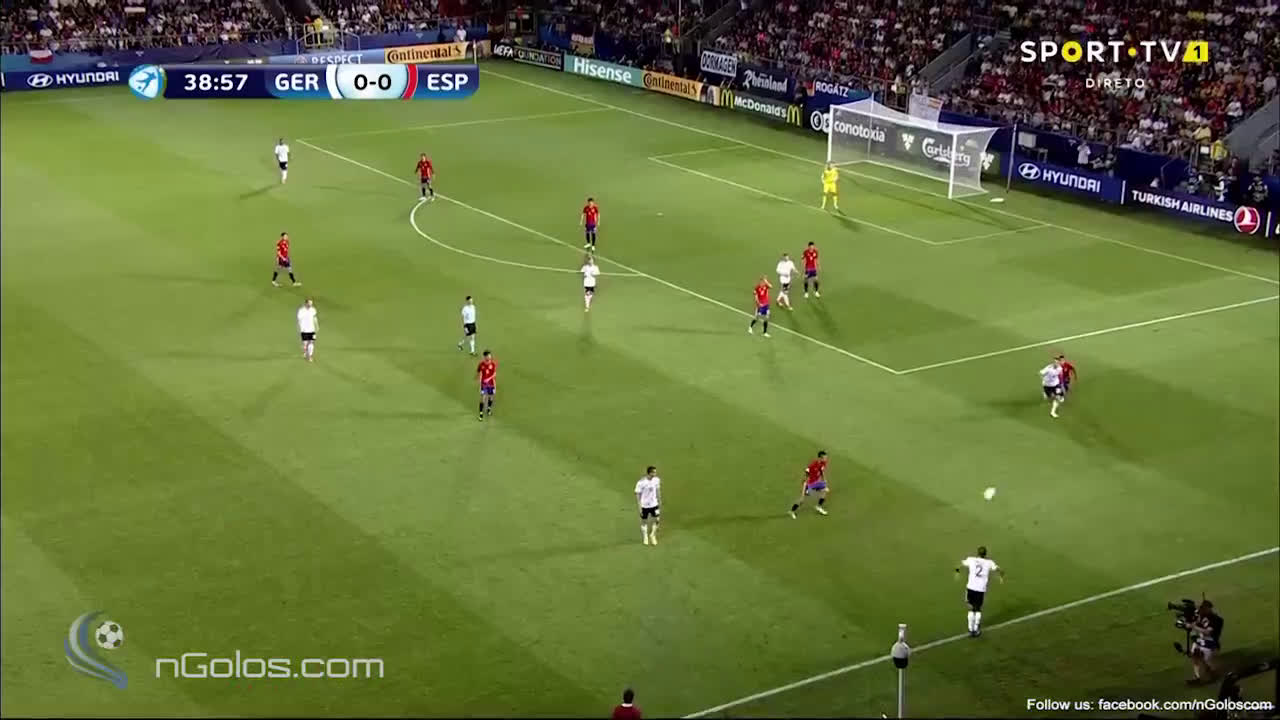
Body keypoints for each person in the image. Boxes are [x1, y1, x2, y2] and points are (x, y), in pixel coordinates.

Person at [956, 546, 1003, 637]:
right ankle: (976, 628)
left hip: (970, 587)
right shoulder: (989, 562)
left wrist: (957, 571)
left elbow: (960, 564)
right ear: (985, 554)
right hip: (981, 589)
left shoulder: (971, 560)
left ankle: (970, 629)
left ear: (977, 553)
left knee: (970, 608)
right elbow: (999, 570)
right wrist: (1001, 577)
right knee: (978, 609)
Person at [1187, 601, 1224, 684]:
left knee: (1202, 658)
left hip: (1210, 642)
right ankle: (1197, 677)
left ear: (1209, 608)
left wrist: (1193, 626)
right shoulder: (1202, 616)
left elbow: (1208, 632)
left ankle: (1212, 672)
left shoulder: (1215, 619)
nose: (1202, 610)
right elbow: (1195, 623)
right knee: (1195, 655)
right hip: (1201, 640)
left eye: (1203, 608)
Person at [789, 451, 829, 518]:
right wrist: (805, 484)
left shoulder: (823, 463)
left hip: (816, 482)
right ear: (820, 458)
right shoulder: (813, 465)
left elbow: (822, 471)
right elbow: (806, 474)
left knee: (825, 490)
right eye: (825, 458)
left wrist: (824, 480)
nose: (826, 459)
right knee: (802, 499)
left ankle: (818, 506)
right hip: (809, 483)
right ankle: (791, 511)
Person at [635, 467, 661, 546]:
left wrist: (659, 500)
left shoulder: (656, 480)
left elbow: (658, 490)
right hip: (644, 506)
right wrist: (639, 507)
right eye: (654, 472)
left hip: (654, 504)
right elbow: (637, 495)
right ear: (650, 473)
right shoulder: (641, 482)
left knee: (657, 519)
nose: (655, 474)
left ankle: (652, 535)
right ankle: (645, 537)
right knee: (644, 521)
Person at [476, 350, 497, 420]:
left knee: (491, 397)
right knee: (483, 398)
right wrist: (479, 383)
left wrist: (489, 379)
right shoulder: (481, 364)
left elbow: (494, 374)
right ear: (485, 357)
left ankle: (489, 409)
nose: (490, 357)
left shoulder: (493, 364)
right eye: (488, 356)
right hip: (484, 384)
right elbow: (478, 372)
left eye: (490, 355)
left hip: (491, 384)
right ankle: (481, 413)